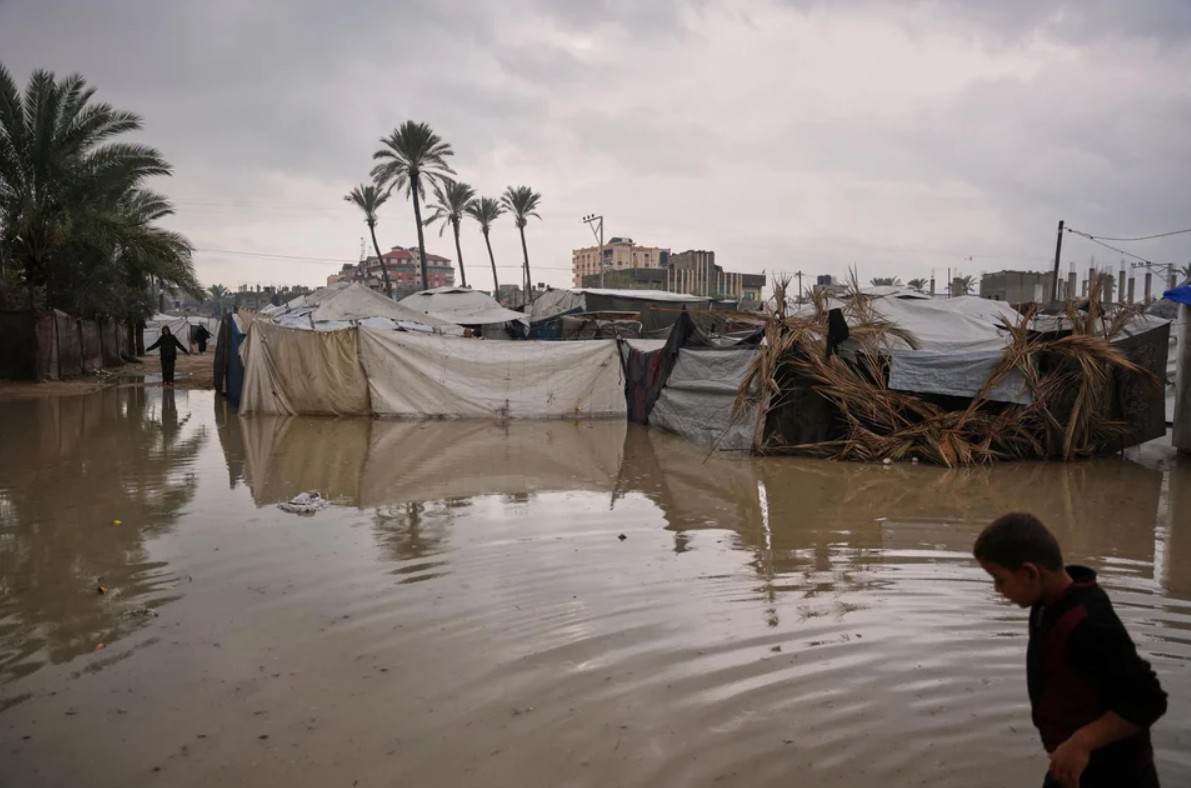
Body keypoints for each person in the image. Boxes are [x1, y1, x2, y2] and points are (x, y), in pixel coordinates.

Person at [973, 513, 1167, 788]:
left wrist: (1081, 742)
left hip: (1116, 776)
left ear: (1030, 573)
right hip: (1071, 767)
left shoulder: (1087, 622)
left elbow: (1148, 700)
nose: (997, 590)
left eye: (999, 579)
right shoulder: (1046, 605)